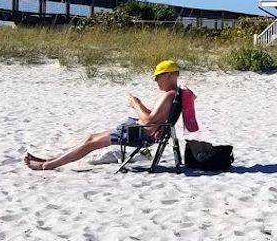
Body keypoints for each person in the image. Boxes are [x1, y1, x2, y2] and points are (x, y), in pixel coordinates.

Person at [24, 59, 182, 171]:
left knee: (90, 142)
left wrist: (136, 104)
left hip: (139, 134)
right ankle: (51, 160)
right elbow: (155, 118)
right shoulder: (175, 94)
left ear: (169, 75)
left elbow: (148, 120)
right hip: (141, 131)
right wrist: (139, 105)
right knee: (90, 138)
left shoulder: (169, 95)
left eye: (158, 77)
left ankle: (46, 166)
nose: (155, 80)